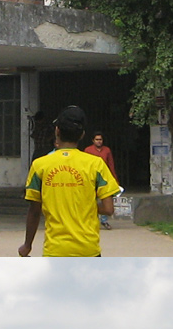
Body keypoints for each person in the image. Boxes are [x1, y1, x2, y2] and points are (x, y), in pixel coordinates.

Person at [18, 105, 121, 257]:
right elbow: (108, 209)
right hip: (88, 250)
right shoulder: (96, 164)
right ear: (82, 135)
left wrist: (27, 246)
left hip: (55, 251)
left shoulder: (40, 165)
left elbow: (34, 211)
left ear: (57, 131)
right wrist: (87, 205)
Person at [84, 132, 117, 229]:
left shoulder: (107, 150)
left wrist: (114, 178)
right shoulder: (88, 150)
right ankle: (91, 221)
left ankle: (104, 221)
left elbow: (111, 164)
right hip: (91, 178)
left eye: (100, 140)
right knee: (91, 200)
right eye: (97, 140)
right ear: (93, 141)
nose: (99, 141)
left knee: (105, 200)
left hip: (104, 179)